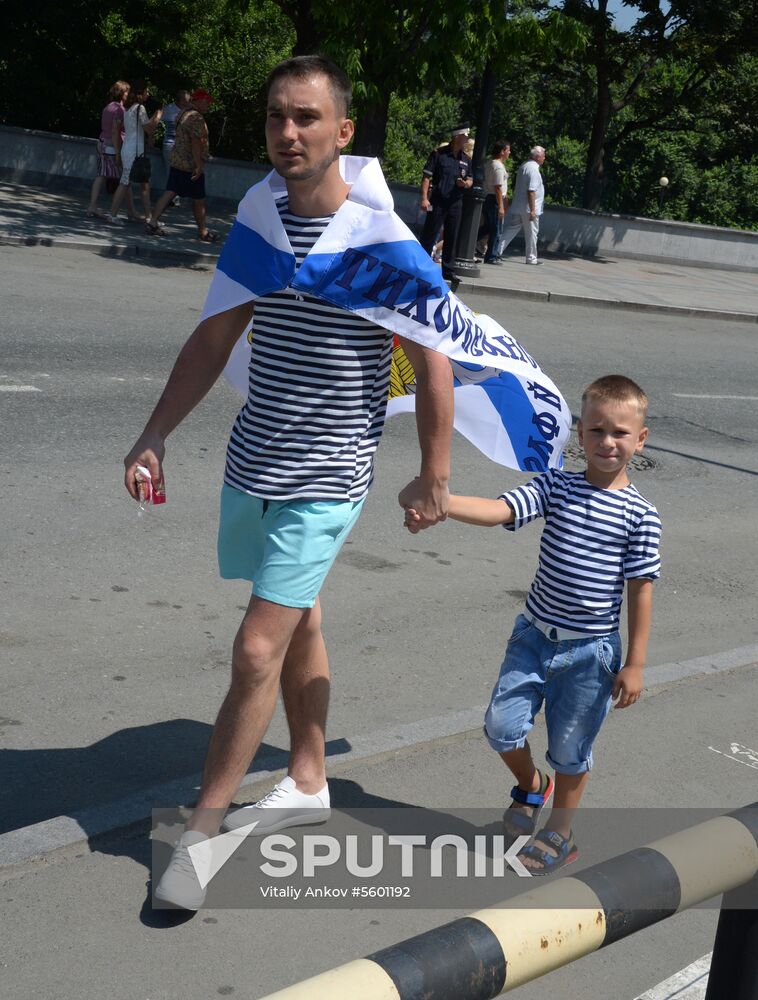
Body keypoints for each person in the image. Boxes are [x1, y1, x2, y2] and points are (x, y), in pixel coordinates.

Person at [124, 55, 454, 910]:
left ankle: (200, 834)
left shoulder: (382, 242)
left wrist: (434, 474)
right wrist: (156, 432)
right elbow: (212, 337)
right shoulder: (262, 220)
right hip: (255, 461)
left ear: (343, 131)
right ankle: (308, 777)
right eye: (277, 117)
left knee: (256, 646)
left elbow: (433, 358)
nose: (289, 133)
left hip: (326, 475)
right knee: (299, 613)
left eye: (307, 118)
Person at [405, 375, 661, 873]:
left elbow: (641, 589)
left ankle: (560, 831)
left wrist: (636, 662)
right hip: (534, 636)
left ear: (641, 439)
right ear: (579, 432)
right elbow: (500, 509)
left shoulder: (641, 515)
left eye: (621, 433)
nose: (607, 442)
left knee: (571, 749)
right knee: (501, 728)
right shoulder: (555, 485)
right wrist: (441, 504)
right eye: (597, 430)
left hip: (591, 654)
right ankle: (531, 785)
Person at [144, 89, 218, 242]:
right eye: (206, 101)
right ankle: (203, 232)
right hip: (190, 165)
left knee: (170, 191)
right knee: (199, 199)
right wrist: (198, 165)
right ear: (197, 101)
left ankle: (152, 222)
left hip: (177, 161)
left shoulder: (183, 114)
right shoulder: (196, 118)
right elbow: (196, 142)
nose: (208, 104)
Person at [419, 123, 474, 279]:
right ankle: (421, 266)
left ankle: (448, 271)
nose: (467, 139)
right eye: (465, 137)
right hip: (438, 200)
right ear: (457, 137)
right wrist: (424, 198)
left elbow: (470, 179)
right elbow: (426, 177)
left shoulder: (466, 159)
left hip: (455, 202)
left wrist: (466, 184)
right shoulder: (439, 154)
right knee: (430, 234)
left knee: (451, 236)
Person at [109, 81, 162, 224]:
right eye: (146, 91)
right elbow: (149, 129)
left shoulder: (128, 108)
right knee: (125, 182)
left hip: (129, 148)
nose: (148, 94)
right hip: (135, 151)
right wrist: (157, 117)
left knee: (144, 183)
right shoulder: (140, 108)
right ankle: (112, 215)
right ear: (140, 94)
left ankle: (150, 217)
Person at [86, 81, 129, 219]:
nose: (128, 94)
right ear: (122, 93)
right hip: (111, 146)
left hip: (102, 142)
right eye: (127, 92)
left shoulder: (108, 107)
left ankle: (92, 206)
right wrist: (118, 152)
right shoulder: (120, 110)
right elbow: (116, 131)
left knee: (101, 175)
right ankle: (128, 211)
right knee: (124, 178)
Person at [496, 145, 546, 265]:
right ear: (538, 157)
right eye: (543, 156)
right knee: (532, 233)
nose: (544, 158)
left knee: (511, 230)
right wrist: (533, 210)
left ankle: (496, 250)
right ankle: (531, 258)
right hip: (529, 208)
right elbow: (531, 190)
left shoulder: (525, 165)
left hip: (519, 205)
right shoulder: (533, 169)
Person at [160, 89, 192, 204]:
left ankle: (173, 196)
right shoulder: (170, 110)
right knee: (172, 171)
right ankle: (172, 197)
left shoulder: (188, 111)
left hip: (181, 146)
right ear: (182, 100)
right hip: (171, 143)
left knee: (177, 171)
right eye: (188, 99)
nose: (190, 101)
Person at [482, 139, 511, 265]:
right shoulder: (498, 166)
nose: (509, 153)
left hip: (489, 197)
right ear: (502, 151)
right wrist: (501, 206)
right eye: (508, 150)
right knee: (496, 229)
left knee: (488, 227)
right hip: (494, 199)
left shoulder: (489, 163)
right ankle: (491, 256)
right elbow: (498, 187)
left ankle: (470, 244)